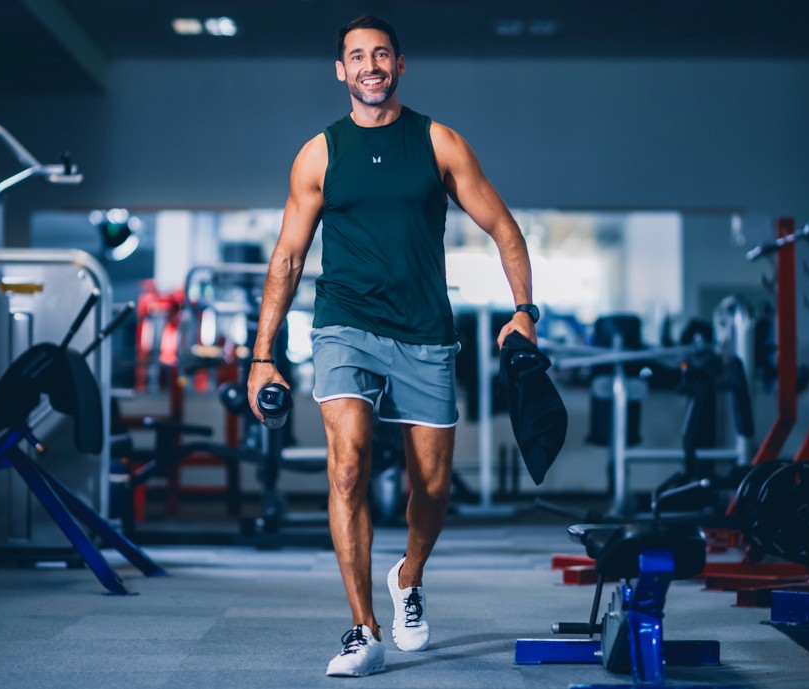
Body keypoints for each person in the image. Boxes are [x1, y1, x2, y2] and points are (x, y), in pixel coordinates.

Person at [247, 15, 537, 678]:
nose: (369, 65)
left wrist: (525, 311)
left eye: (381, 54)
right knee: (346, 468)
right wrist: (262, 352)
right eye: (356, 56)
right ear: (340, 71)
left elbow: (504, 228)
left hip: (425, 332)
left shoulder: (439, 143)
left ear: (400, 65)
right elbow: (288, 258)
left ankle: (407, 576)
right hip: (343, 324)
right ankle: (362, 627)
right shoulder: (319, 154)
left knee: (431, 488)